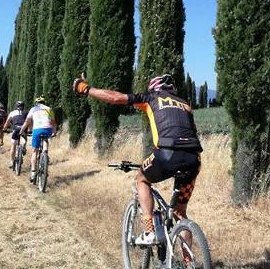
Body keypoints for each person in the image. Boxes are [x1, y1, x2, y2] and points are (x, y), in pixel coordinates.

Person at [73, 73, 202, 246]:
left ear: (154, 87)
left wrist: (86, 89)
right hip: (194, 159)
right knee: (180, 213)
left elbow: (115, 98)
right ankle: (188, 261)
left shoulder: (151, 97)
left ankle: (149, 231)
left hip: (166, 153)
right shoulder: (186, 105)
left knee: (142, 179)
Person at [20, 96, 57, 183]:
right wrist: (54, 132)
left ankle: (33, 172)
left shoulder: (33, 109)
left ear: (36, 103)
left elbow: (27, 121)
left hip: (37, 130)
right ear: (44, 103)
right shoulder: (49, 109)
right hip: (48, 129)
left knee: (34, 151)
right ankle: (45, 153)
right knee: (45, 139)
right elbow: (53, 122)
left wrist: (21, 131)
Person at [4, 101, 27, 168]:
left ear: (16, 106)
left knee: (13, 145)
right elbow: (29, 121)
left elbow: (7, 122)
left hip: (15, 129)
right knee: (24, 137)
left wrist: (4, 129)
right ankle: (24, 147)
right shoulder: (26, 112)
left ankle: (11, 161)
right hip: (23, 129)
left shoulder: (12, 113)